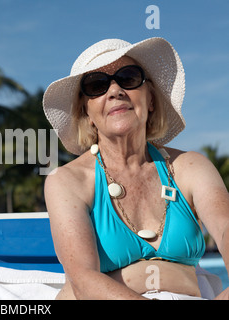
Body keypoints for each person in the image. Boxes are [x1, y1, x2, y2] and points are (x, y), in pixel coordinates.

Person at [42, 37, 229, 300]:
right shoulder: (68, 181)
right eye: (97, 85)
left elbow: (224, 228)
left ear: (151, 99)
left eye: (128, 78)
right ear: (87, 113)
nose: (115, 91)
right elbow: (83, 280)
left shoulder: (190, 167)